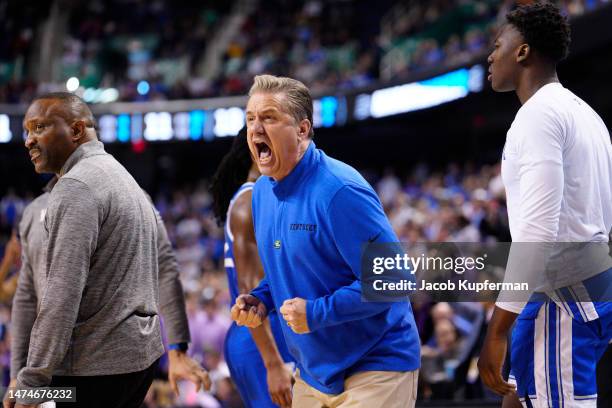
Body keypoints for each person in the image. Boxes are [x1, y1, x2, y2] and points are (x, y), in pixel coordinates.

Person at [231, 75, 421, 407]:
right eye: (250, 119)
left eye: (269, 118)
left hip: (375, 367)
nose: (255, 129)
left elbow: (395, 279)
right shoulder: (261, 193)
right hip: (313, 374)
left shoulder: (339, 190)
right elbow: (289, 270)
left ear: (302, 130)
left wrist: (317, 313)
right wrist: (262, 300)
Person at [8, 92, 207, 408]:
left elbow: (61, 295)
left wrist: (30, 384)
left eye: (39, 128)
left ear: (75, 131)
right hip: (136, 365)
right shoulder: (124, 180)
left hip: (88, 374)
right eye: (27, 131)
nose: (29, 141)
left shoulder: (76, 187)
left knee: (26, 399)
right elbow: (166, 266)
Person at [478, 3, 612, 408]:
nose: (490, 55)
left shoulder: (537, 115)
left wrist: (498, 328)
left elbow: (537, 232)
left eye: (497, 44)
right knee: (517, 399)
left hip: (560, 294)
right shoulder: (586, 114)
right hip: (590, 284)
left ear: (522, 53)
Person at [211, 128, 294, 407]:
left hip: (266, 336)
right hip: (259, 340)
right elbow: (250, 292)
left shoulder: (267, 197)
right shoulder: (249, 201)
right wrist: (273, 363)